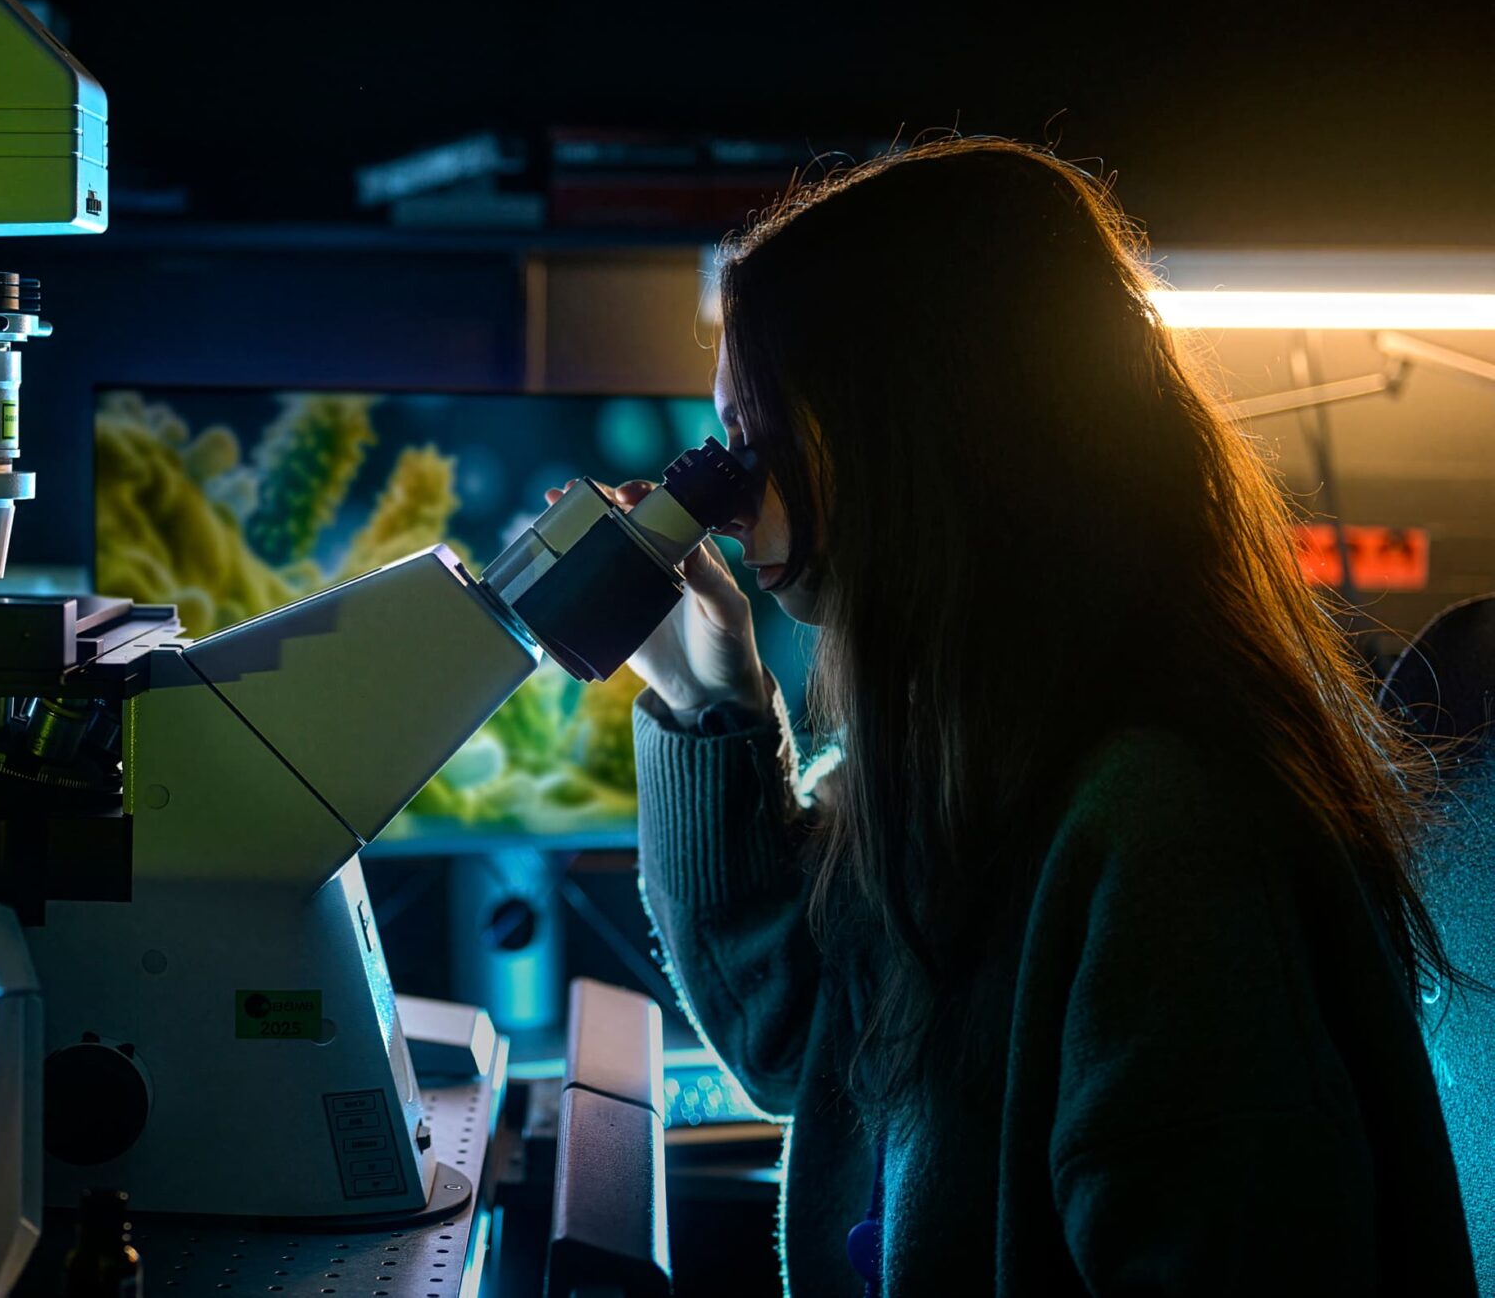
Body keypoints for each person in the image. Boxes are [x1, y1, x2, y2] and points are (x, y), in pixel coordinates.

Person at [555, 138, 1478, 1295]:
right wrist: (708, 696)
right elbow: (802, 1046)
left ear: (912, 444)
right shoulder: (966, 768)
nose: (727, 502)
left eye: (755, 445)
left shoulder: (1166, 840)